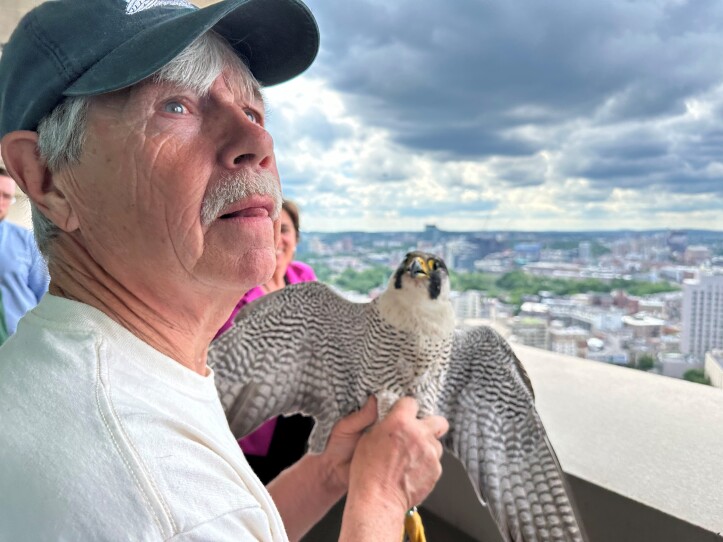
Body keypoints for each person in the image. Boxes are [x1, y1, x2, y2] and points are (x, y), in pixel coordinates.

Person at [0, 1, 448, 541]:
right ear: (46, 178)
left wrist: (328, 472)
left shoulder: (73, 370)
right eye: (176, 106)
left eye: (254, 113)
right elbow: (180, 515)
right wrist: (382, 496)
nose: (257, 144)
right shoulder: (148, 484)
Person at [216, 199, 317, 485]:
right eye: (267, 229)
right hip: (258, 423)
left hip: (297, 418)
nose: (276, 238)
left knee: (292, 483)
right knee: (264, 493)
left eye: (283, 229)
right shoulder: (235, 291)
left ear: (296, 239)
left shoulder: (303, 277)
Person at [0, 162, 49, 337]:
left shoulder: (26, 241)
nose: (1, 202)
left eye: (6, 196)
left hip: (17, 344)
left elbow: (44, 296)